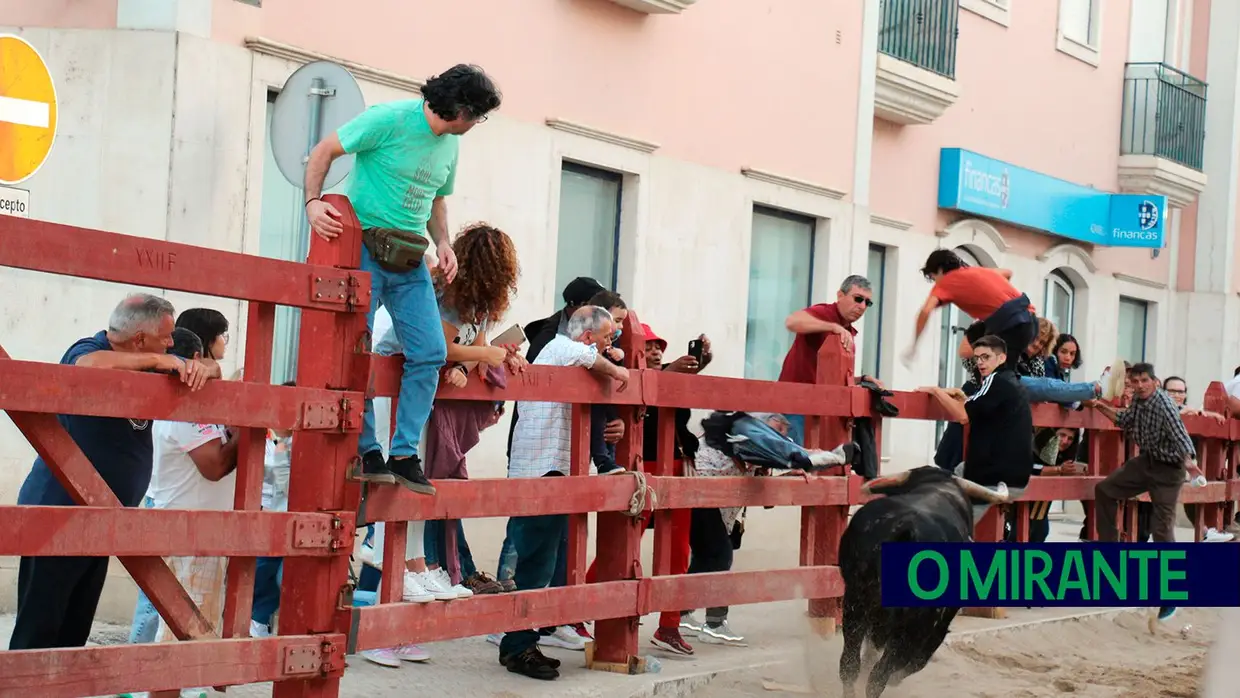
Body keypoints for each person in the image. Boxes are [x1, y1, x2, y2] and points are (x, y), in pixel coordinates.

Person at [304, 63, 502, 495]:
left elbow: (437, 199)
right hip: (363, 245)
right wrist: (312, 203)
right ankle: (367, 449)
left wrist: (444, 243)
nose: (476, 124)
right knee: (358, 350)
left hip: (410, 256)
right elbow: (323, 151)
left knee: (429, 352)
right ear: (462, 109)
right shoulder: (388, 119)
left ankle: (403, 453)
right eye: (479, 115)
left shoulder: (450, 144)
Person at [10, 294, 218, 651]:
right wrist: (159, 359)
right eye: (165, 338)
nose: (171, 344)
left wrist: (204, 368)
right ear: (138, 340)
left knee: (73, 634)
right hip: (59, 516)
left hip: (103, 519)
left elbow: (214, 370)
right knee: (39, 632)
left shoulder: (149, 360)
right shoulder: (89, 348)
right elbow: (86, 366)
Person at [500, 306, 630, 680]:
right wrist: (617, 369)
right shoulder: (561, 347)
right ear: (588, 335)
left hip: (548, 468)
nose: (610, 344)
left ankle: (522, 642)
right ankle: (517, 645)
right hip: (541, 470)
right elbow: (587, 355)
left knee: (542, 559)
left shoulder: (566, 354)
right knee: (535, 562)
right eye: (607, 337)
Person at [423, 223, 524, 595]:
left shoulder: (479, 306)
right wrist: (482, 356)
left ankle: (456, 570)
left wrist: (482, 361)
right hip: (421, 399)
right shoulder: (449, 295)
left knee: (446, 489)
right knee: (432, 491)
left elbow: (471, 352)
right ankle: (446, 569)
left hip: (443, 401)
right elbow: (443, 347)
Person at [1090, 363, 1206, 624]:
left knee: (1161, 530)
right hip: (1146, 462)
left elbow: (1180, 435)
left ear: (1155, 381)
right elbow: (1123, 420)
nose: (1140, 385)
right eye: (1135, 381)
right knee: (1105, 490)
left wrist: (1190, 464)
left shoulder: (1163, 404)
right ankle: (1111, 552)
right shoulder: (1139, 402)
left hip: (1169, 470)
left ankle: (1171, 593)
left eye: (1144, 380)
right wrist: (1099, 405)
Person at [919, 334, 1033, 523]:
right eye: (977, 358)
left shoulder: (995, 381)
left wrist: (936, 391)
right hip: (1014, 476)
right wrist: (960, 395)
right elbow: (977, 406)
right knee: (954, 477)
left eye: (986, 357)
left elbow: (963, 416)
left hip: (992, 478)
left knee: (950, 522)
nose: (980, 363)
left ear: (1001, 358)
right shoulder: (1009, 381)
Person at [779, 274, 876, 444]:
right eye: (858, 299)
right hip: (797, 405)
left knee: (823, 462)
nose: (862, 306)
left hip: (822, 409)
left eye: (867, 302)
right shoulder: (825, 313)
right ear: (840, 295)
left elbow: (833, 378)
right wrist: (831, 326)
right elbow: (791, 322)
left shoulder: (848, 331)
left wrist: (863, 380)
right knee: (800, 463)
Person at [904, 250, 1037, 374]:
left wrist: (914, 345)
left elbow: (926, 311)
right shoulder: (978, 271)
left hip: (1012, 326)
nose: (935, 283)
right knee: (996, 361)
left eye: (933, 278)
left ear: (939, 270)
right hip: (1031, 321)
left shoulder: (945, 282)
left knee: (998, 375)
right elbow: (1008, 273)